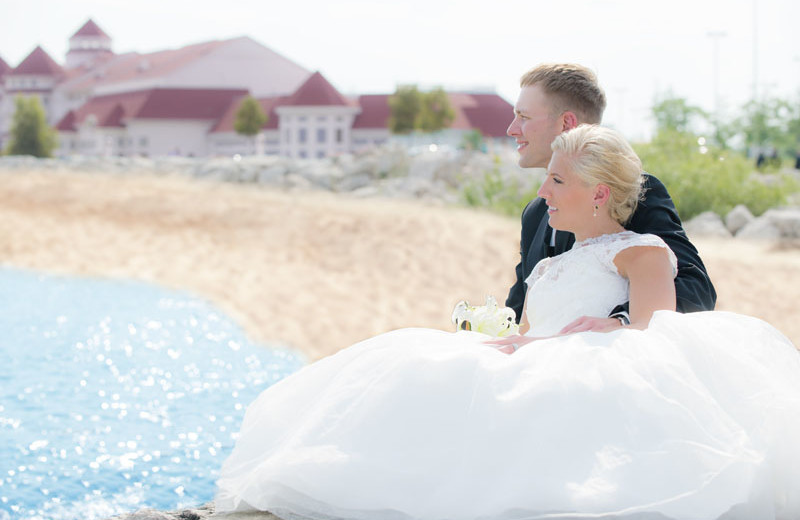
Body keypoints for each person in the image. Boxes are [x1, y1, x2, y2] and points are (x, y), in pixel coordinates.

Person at [215, 125, 800, 520]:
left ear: (600, 193)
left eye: (557, 181)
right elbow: (542, 325)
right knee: (414, 358)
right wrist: (516, 342)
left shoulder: (640, 250)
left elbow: (662, 330)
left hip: (592, 369)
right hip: (541, 353)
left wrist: (611, 328)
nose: (543, 191)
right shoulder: (557, 261)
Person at [505, 64, 716, 333]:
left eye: (523, 116)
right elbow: (520, 306)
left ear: (566, 124)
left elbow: (695, 289)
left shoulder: (636, 192)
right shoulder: (535, 213)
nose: (512, 129)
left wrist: (620, 323)